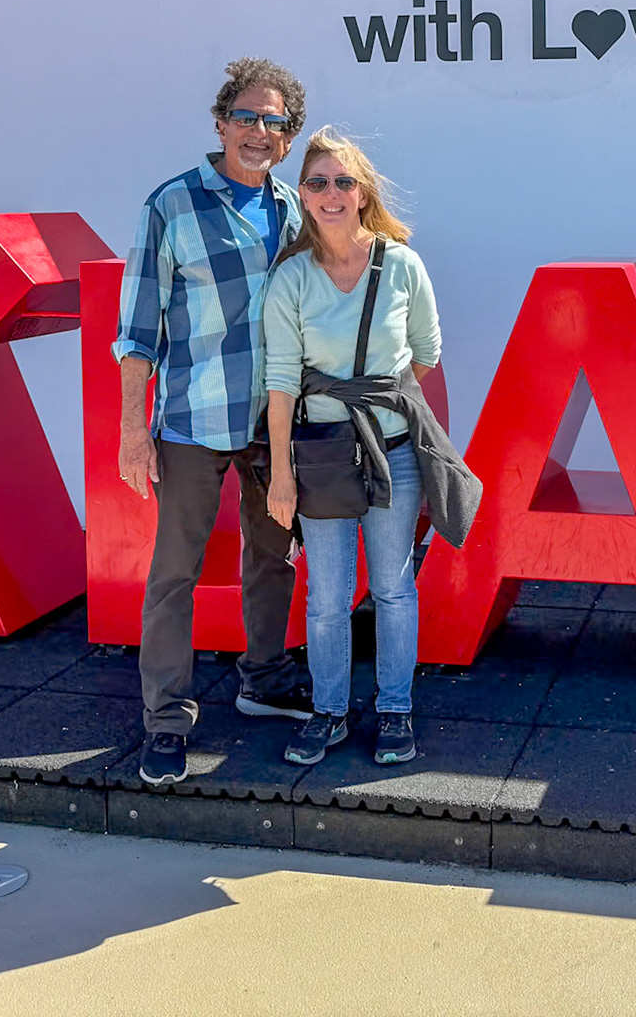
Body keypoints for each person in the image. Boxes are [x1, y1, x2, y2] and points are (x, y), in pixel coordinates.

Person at [115, 57, 312, 787]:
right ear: (220, 122)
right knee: (176, 573)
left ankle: (262, 678)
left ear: (288, 138)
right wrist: (134, 431)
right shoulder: (172, 205)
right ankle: (166, 720)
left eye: (274, 122)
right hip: (194, 421)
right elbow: (138, 329)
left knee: (271, 558)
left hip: (273, 425)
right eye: (247, 117)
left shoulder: (294, 208)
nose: (258, 132)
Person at [262, 129, 459, 766]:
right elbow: (281, 382)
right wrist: (282, 474)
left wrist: (372, 403)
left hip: (394, 450)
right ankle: (329, 711)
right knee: (326, 595)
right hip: (320, 454)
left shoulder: (401, 264)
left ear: (363, 192)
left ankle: (395, 709)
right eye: (317, 182)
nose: (330, 193)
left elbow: (425, 354)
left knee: (395, 587)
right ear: (303, 194)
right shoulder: (291, 278)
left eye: (343, 181)